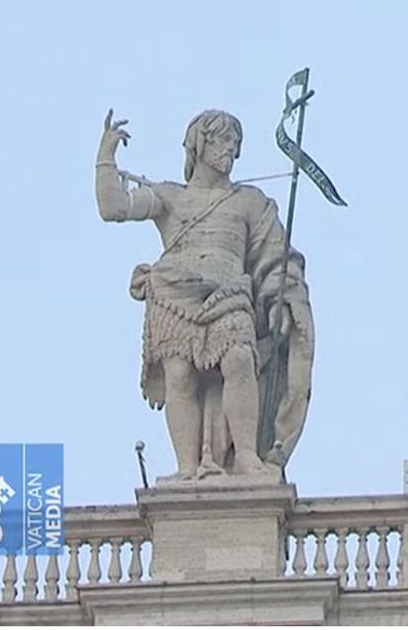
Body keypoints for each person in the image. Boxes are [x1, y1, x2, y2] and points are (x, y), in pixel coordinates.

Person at [95, 108, 316, 482]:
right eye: (223, 140)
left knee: (239, 361)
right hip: (173, 296)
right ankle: (186, 467)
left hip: (230, 294)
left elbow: (275, 256)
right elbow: (113, 208)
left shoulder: (251, 202)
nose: (231, 149)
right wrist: (106, 157)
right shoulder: (169, 196)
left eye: (235, 143)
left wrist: (280, 296)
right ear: (199, 143)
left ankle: (246, 456)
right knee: (179, 376)